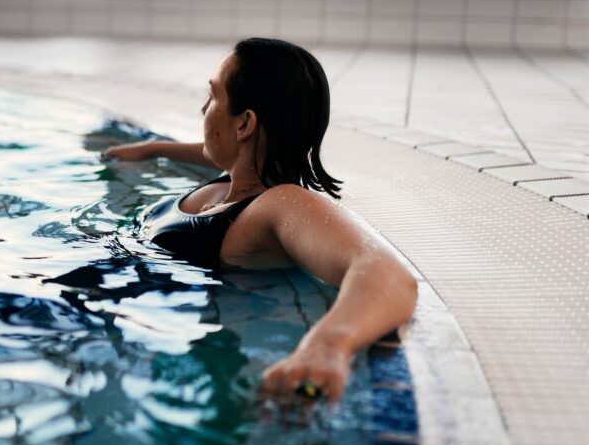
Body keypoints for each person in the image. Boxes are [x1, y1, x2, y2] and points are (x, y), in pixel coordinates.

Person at [102, 37, 417, 402]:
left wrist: (328, 345)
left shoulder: (280, 204)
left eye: (214, 96)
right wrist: (152, 149)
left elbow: (386, 273)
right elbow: (214, 150)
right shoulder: (235, 178)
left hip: (161, 328)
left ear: (245, 124)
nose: (204, 108)